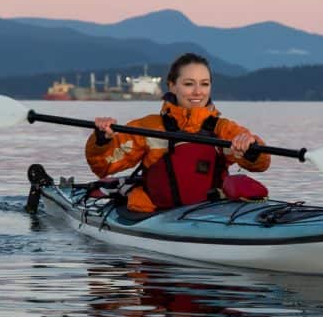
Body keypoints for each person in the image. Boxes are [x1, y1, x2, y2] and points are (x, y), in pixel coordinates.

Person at [86, 52, 270, 213]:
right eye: (189, 84)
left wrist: (251, 148)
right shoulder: (148, 127)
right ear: (172, 86)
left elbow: (261, 164)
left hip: (210, 215)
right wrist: (102, 139)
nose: (198, 92)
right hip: (155, 214)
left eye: (204, 84)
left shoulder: (223, 129)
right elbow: (103, 167)